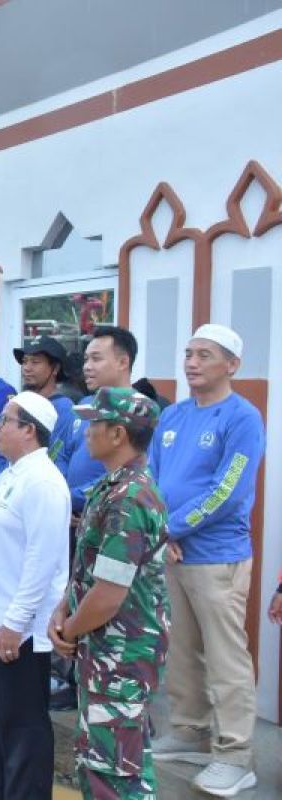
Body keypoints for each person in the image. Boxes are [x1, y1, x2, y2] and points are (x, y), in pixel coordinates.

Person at [148, 324, 264, 797]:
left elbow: (230, 491)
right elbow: (152, 476)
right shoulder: (172, 415)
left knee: (225, 657)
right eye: (189, 353)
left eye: (205, 355)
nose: (192, 363)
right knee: (180, 650)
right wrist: (161, 530)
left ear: (232, 364)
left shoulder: (242, 418)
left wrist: (170, 528)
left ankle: (235, 756)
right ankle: (191, 731)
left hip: (217, 557)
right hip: (172, 551)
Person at [48, 387, 169, 800]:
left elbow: (110, 594)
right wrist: (64, 608)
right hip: (106, 648)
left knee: (113, 772)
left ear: (118, 434)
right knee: (110, 760)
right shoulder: (113, 487)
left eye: (94, 422)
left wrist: (69, 631)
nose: (86, 430)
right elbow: (89, 570)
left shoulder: (130, 498)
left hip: (122, 652)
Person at [0, 391, 70, 800]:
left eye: (5, 420)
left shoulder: (43, 482)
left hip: (20, 630)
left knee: (24, 725)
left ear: (28, 431)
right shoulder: (10, 473)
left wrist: (15, 623)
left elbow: (41, 563)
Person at [55, 324, 140, 712]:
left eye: (96, 358)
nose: (86, 366)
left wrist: (68, 630)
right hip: (84, 524)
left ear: (123, 363)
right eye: (86, 357)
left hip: (116, 534)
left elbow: (134, 479)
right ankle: (75, 680)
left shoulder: (139, 414)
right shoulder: (86, 411)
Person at [14, 334, 76, 474]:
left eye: (35, 362)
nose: (26, 368)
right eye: (25, 361)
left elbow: (56, 456)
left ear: (55, 369)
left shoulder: (64, 409)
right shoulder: (18, 404)